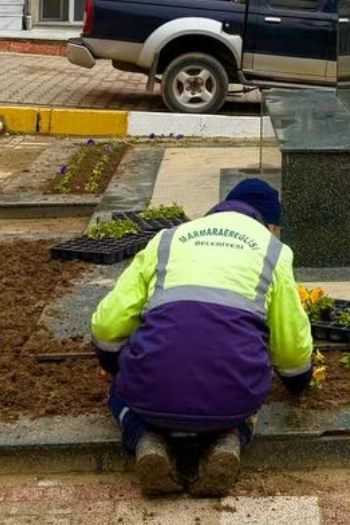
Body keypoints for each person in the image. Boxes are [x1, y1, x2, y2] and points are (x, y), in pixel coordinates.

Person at [90, 179, 314, 497]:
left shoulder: (167, 240)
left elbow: (107, 324)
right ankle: (230, 439)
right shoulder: (273, 251)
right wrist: (298, 382)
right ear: (272, 226)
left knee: (119, 391)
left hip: (151, 394)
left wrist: (114, 366)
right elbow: (291, 351)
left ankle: (144, 439)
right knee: (253, 388)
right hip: (230, 399)